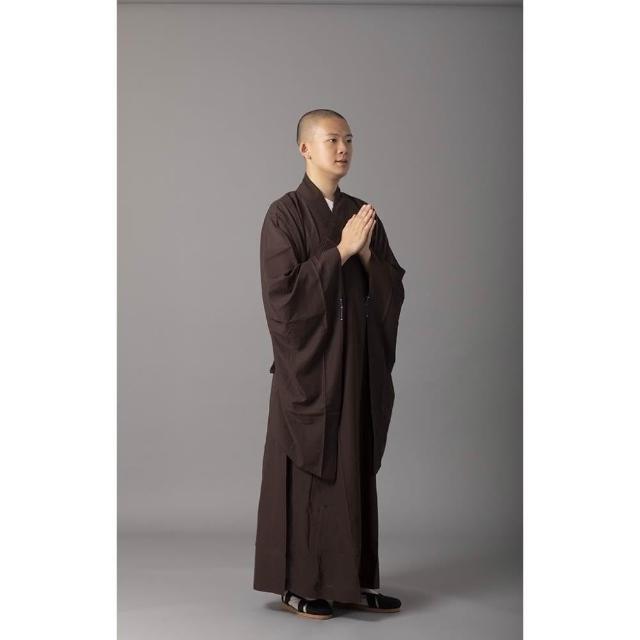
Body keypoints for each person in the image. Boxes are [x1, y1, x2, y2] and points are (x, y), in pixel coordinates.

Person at [253, 108, 406, 620]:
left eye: (349, 140)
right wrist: (340, 252)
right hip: (309, 370)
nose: (343, 149)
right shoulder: (283, 215)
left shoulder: (362, 214)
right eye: (332, 140)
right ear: (305, 148)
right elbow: (282, 296)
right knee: (307, 476)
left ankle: (354, 583)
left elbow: (391, 288)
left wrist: (365, 255)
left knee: (353, 468)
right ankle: (297, 585)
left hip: (354, 366)